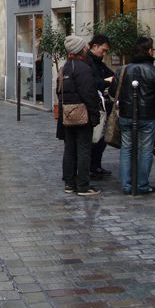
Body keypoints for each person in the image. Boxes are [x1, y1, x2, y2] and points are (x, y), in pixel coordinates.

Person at [109, 36, 155, 195]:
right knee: (145, 150)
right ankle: (142, 184)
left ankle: (127, 185)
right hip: (147, 116)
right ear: (149, 51)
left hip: (126, 115)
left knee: (126, 149)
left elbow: (112, 92)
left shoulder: (122, 70)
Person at [57, 35, 102, 196]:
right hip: (81, 114)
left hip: (68, 114)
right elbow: (88, 94)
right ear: (79, 50)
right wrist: (94, 114)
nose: (86, 49)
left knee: (69, 149)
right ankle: (83, 185)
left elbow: (59, 91)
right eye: (84, 47)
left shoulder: (66, 67)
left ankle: (69, 183)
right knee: (83, 149)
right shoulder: (83, 68)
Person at [85, 34, 114, 179]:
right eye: (103, 50)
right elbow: (93, 83)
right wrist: (106, 82)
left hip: (103, 105)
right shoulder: (88, 61)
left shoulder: (98, 62)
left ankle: (96, 165)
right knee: (95, 138)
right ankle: (91, 167)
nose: (104, 53)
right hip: (95, 106)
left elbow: (110, 74)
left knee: (101, 139)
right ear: (94, 46)